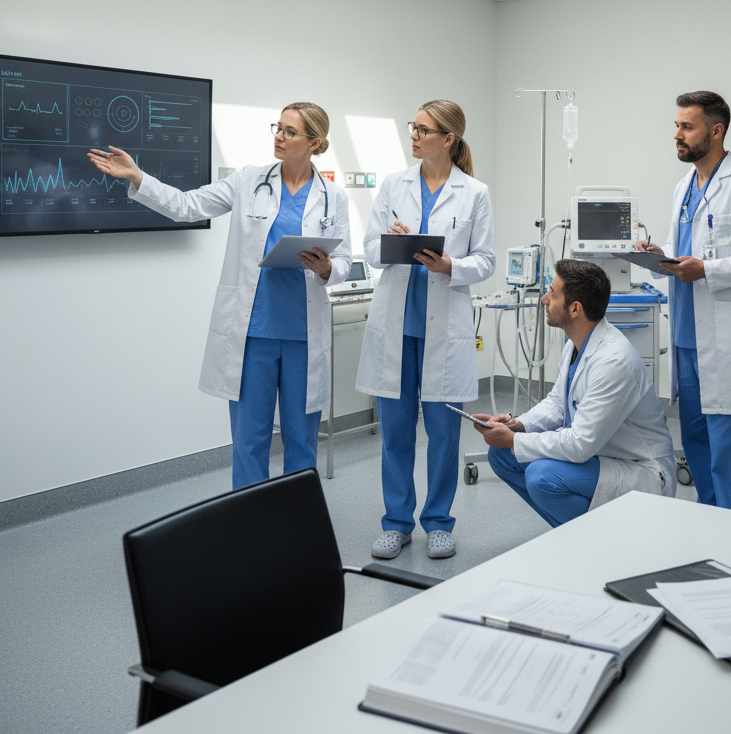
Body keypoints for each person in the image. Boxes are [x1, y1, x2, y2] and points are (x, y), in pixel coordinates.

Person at [87, 102, 352, 489]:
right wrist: (139, 177)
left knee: (301, 442)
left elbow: (342, 260)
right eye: (278, 127)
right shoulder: (249, 180)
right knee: (249, 441)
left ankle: (297, 519)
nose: (279, 136)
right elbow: (188, 206)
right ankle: (250, 520)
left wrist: (327, 269)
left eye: (290, 131)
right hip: (253, 333)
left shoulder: (333, 197)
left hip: (304, 334)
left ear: (314, 143)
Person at [356, 100, 495, 560]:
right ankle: (396, 523)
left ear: (448, 139)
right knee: (396, 433)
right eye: (412, 127)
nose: (413, 136)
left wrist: (451, 264)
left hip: (444, 331)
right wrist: (391, 242)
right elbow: (369, 247)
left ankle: (438, 522)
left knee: (443, 435)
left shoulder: (474, 192)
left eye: (423, 129)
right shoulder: (394, 184)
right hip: (396, 328)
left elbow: (486, 261)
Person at [637, 90, 731, 513]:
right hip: (687, 336)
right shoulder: (684, 187)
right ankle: (708, 521)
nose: (677, 135)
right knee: (697, 441)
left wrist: (707, 270)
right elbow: (682, 248)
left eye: (687, 127)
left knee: (730, 449)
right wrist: (658, 256)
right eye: (677, 126)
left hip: (728, 338)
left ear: (715, 131)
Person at [473, 258, 676, 527]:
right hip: (601, 454)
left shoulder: (613, 362)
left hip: (640, 467)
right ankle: (573, 532)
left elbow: (580, 445)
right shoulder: (576, 343)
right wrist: (518, 426)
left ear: (574, 309)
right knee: (501, 456)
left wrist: (513, 440)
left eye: (552, 293)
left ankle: (599, 541)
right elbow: (558, 403)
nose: (544, 299)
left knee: (542, 477)